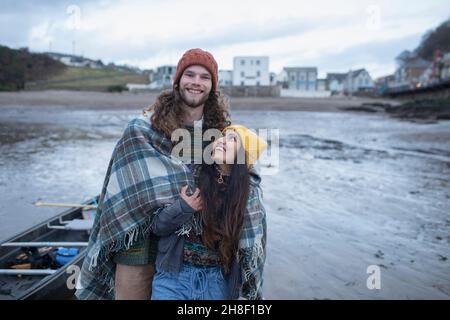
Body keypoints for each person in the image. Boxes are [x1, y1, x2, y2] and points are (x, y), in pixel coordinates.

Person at [75, 48, 231, 300]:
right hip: (138, 243)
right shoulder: (141, 129)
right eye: (189, 74)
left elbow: (242, 180)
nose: (196, 82)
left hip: (189, 252)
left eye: (204, 77)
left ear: (213, 86)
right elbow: (122, 189)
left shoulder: (221, 133)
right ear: (176, 80)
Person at [150, 125, 268, 300]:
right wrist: (183, 207)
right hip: (173, 277)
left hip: (217, 283)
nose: (221, 140)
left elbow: (253, 254)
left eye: (232, 139)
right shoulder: (189, 174)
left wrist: (254, 297)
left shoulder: (249, 196)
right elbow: (157, 226)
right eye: (223, 136)